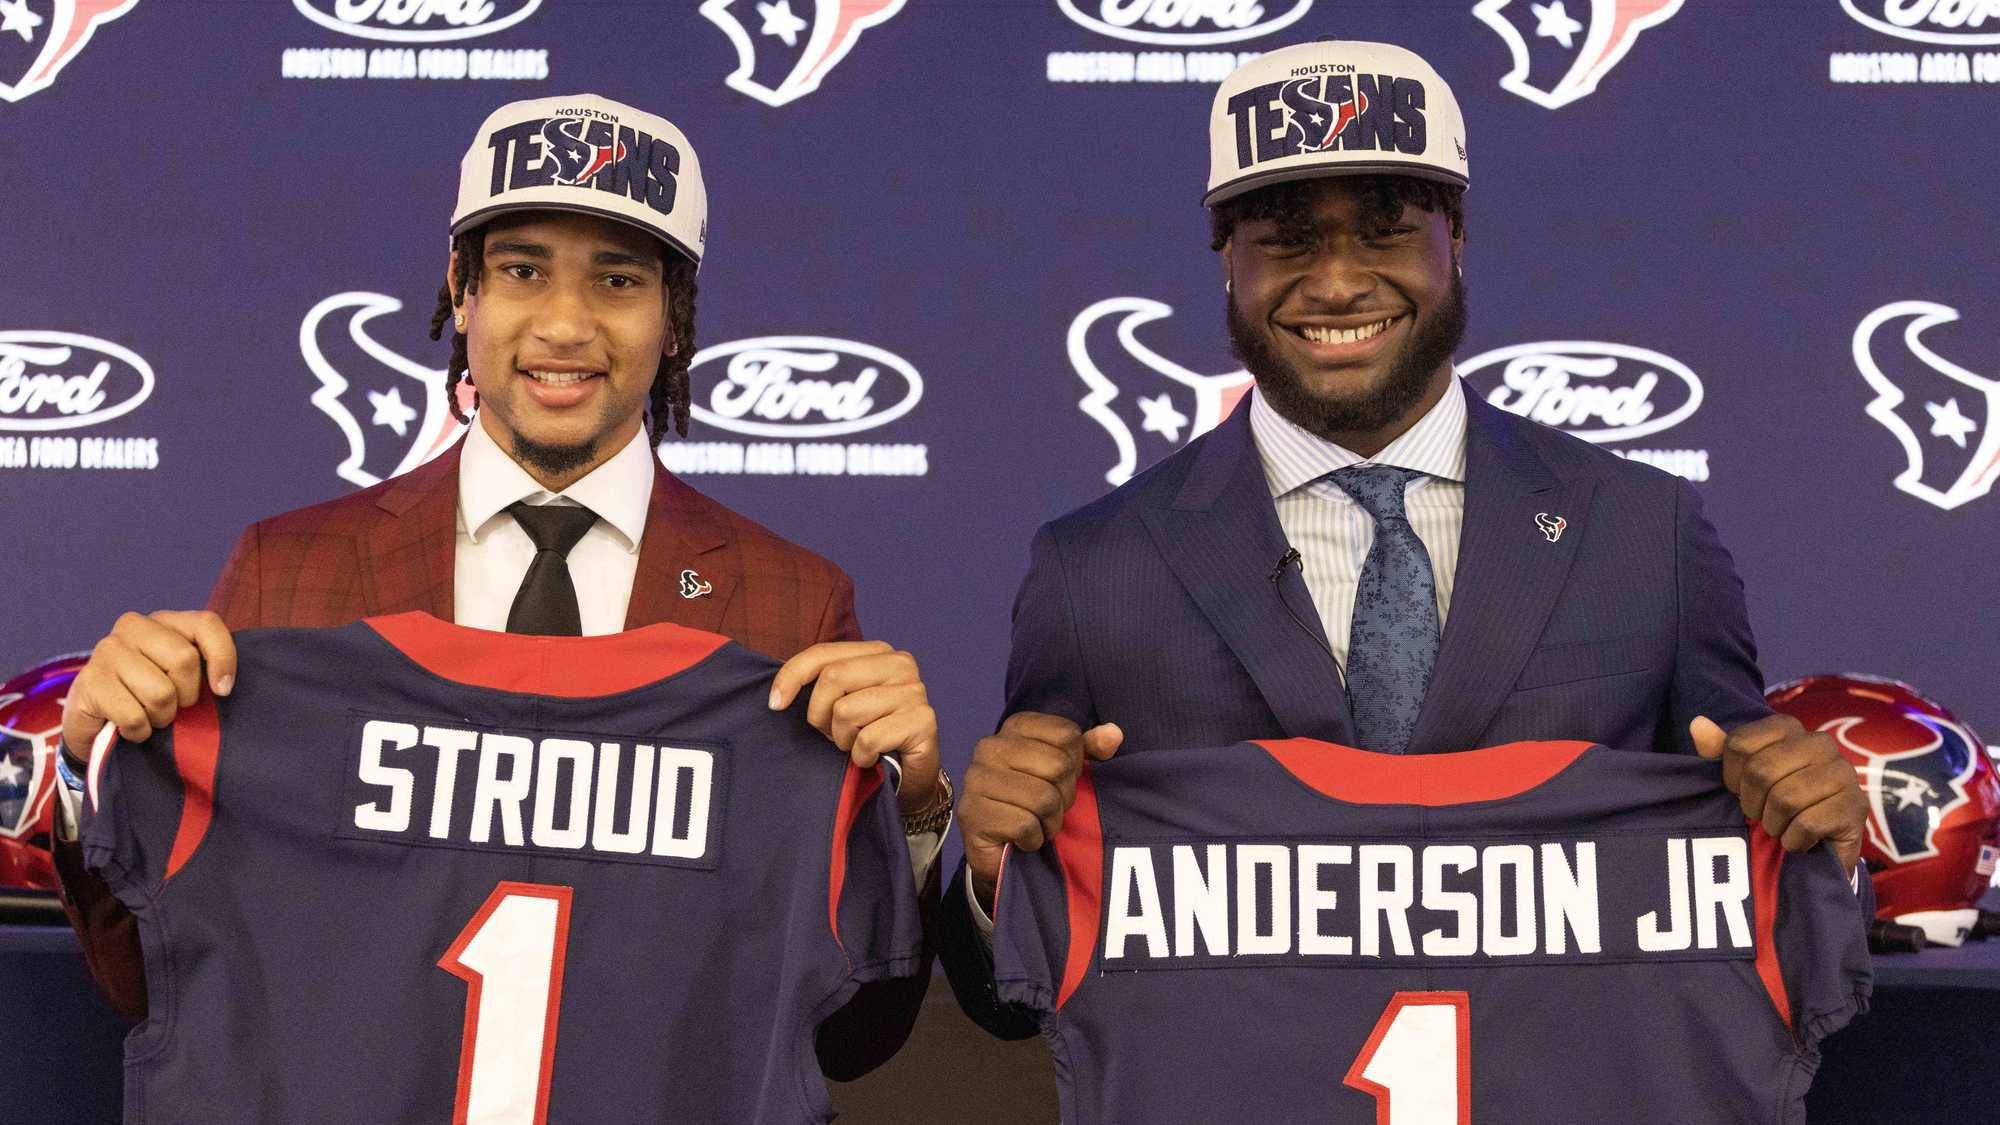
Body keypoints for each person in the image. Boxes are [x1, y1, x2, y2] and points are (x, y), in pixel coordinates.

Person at [940, 40, 1868, 1037]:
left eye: (1385, 230)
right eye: (1286, 239)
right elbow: (1012, 1004)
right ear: (1225, 257)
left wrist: (1819, 843)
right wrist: (993, 876)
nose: (1336, 283)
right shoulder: (1092, 570)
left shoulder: (1646, 534)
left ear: (1454, 236)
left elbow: (1762, 918)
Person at [49, 93, 950, 1080]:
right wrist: (93, 769)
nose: (565, 323)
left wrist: (906, 821)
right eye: (523, 270)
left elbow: (846, 1038)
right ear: (461, 287)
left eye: (617, 279)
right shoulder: (293, 571)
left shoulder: (791, 604)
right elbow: (158, 981)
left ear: (672, 314)